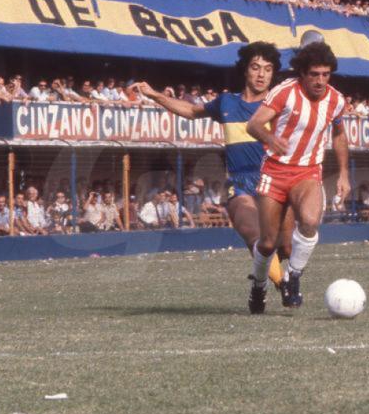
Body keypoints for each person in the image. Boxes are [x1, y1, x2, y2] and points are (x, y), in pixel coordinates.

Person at [131, 41, 292, 288]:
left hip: (272, 181)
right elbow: (192, 111)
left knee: (285, 246)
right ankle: (285, 287)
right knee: (254, 235)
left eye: (268, 69)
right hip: (239, 182)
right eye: (256, 67)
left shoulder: (280, 107)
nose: (261, 74)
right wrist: (156, 96)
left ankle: (260, 285)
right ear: (245, 70)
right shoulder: (227, 102)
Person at [245, 41, 351, 313]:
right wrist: (270, 138)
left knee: (311, 220)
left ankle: (293, 276)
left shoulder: (336, 100)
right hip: (275, 171)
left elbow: (339, 135)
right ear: (302, 73)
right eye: (314, 74)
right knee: (269, 243)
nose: (320, 81)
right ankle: (258, 286)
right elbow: (254, 124)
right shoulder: (284, 92)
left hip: (307, 171)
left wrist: (343, 174)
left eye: (325, 75)